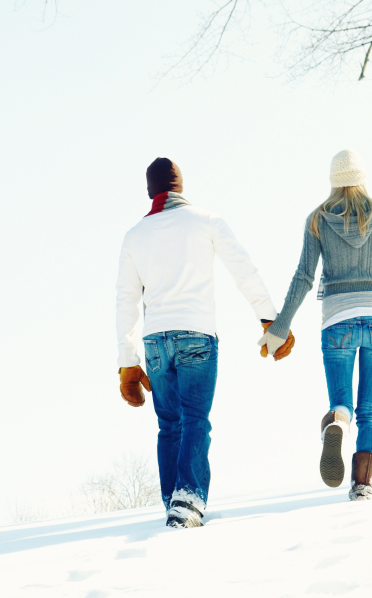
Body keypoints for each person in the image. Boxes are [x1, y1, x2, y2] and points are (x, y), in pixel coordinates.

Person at [116, 157, 294, 528]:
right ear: (180, 186)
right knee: (195, 419)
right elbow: (242, 268)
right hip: (196, 333)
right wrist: (269, 318)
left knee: (169, 424)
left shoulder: (134, 236)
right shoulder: (207, 220)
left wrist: (127, 362)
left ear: (151, 191)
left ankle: (174, 501)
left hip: (155, 341)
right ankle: (188, 500)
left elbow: (126, 301)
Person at [259, 149, 372, 501]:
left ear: (333, 181)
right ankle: (363, 485)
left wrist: (280, 327)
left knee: (342, 402)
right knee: (370, 408)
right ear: (362, 179)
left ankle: (337, 424)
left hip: (338, 321)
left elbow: (303, 277)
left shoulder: (317, 219)